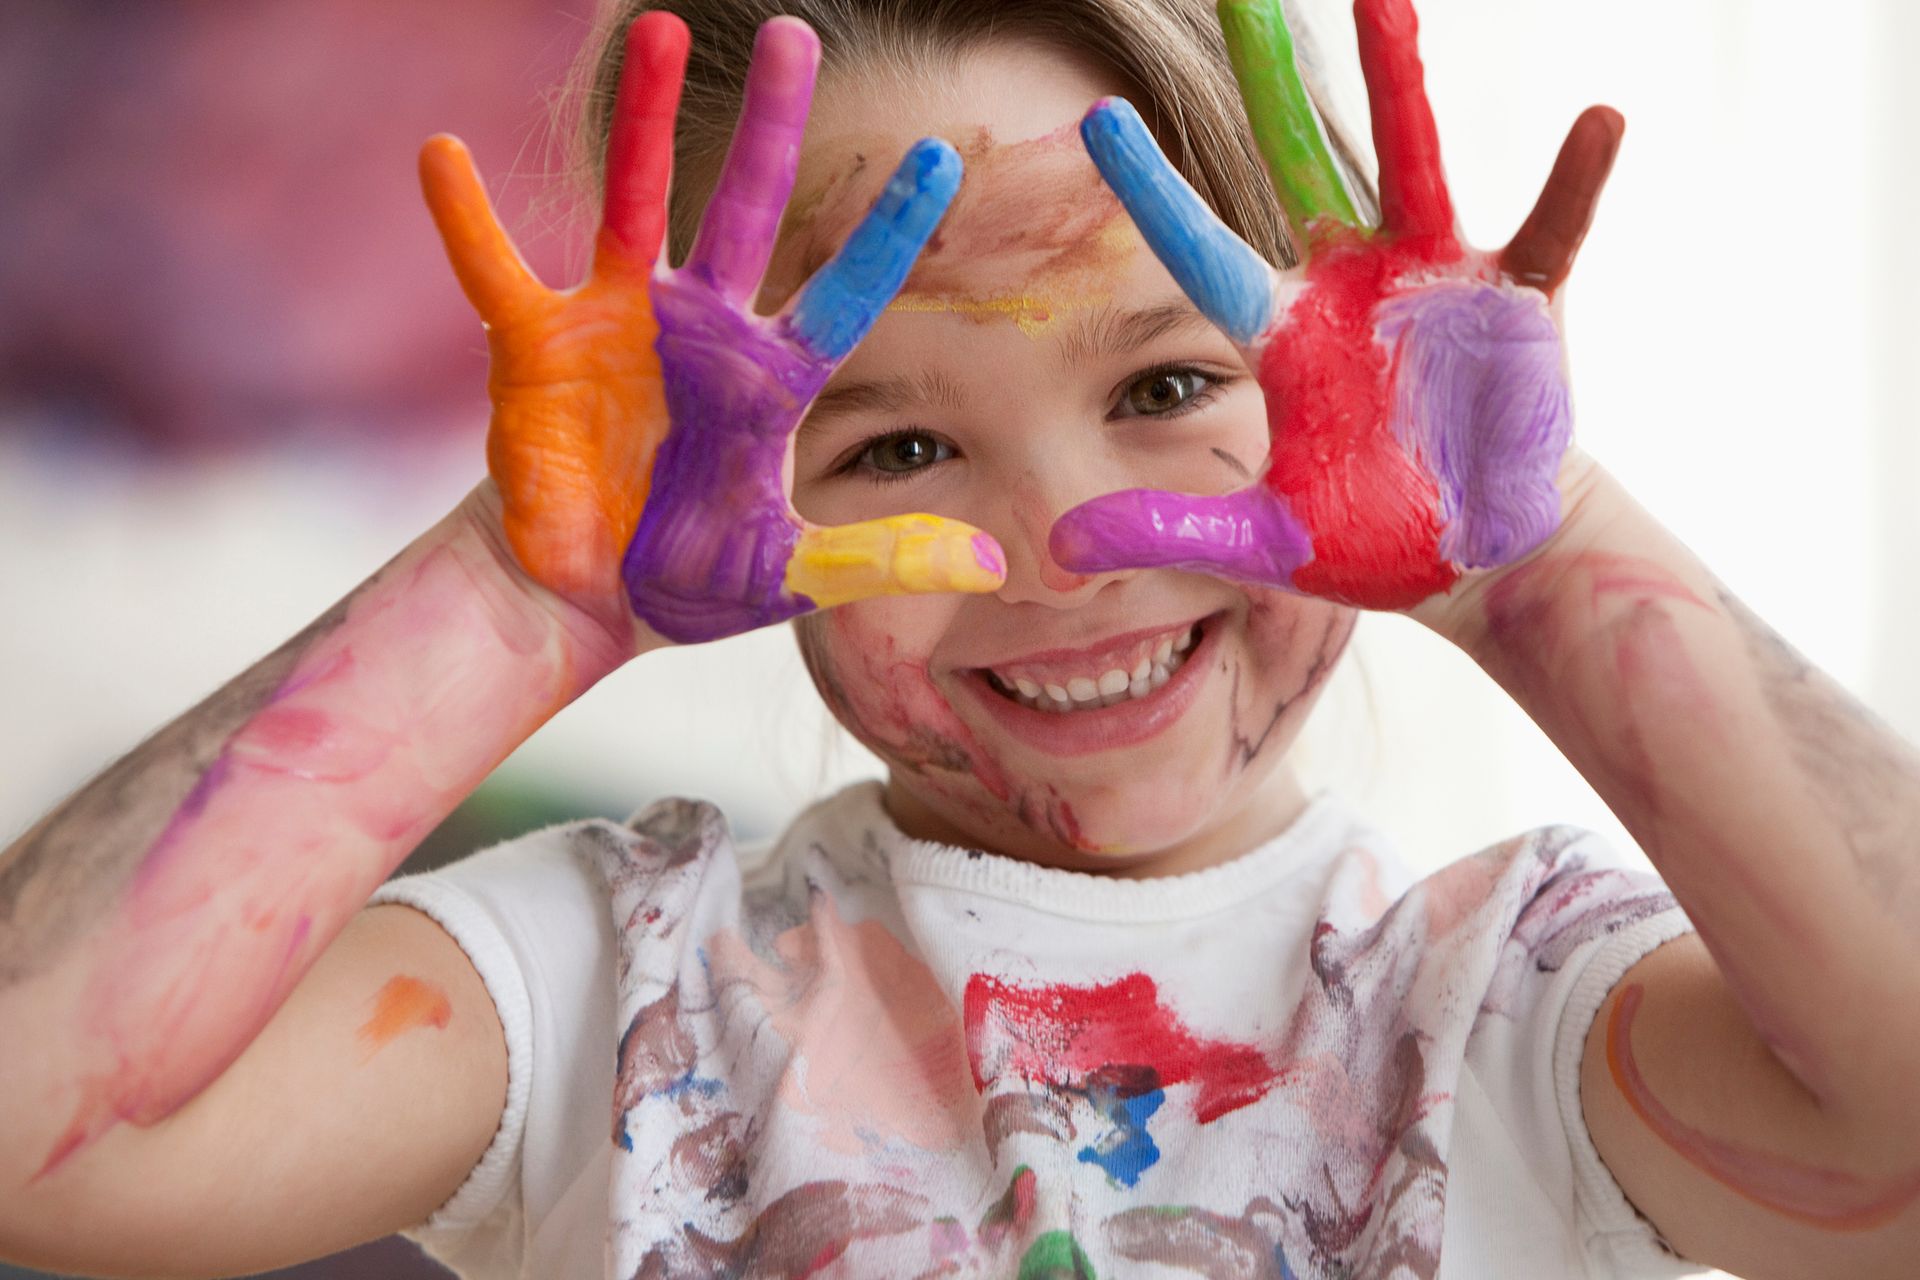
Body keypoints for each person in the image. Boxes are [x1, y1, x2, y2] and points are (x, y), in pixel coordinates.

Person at [2, 0, 1917, 1277]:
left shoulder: (1504, 997)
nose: (1059, 554)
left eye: (1169, 383)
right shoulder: (626, 988)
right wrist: (514, 590)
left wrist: (1540, 558)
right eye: (898, 442)